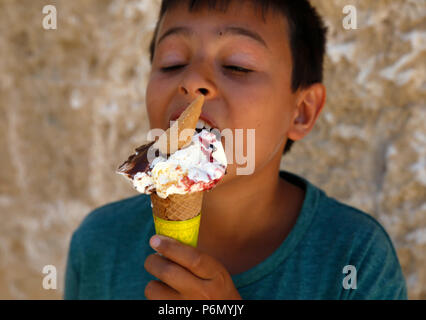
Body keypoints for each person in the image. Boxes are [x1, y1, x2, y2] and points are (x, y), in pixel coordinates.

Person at [64, 0, 407, 299]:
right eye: (172, 62)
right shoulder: (99, 244)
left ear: (301, 111)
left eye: (237, 66)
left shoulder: (355, 258)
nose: (192, 80)